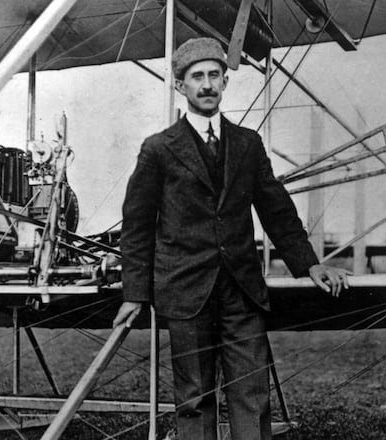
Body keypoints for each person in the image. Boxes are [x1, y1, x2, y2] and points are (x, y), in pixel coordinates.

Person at [113, 37, 349, 440]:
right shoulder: (158, 150)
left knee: (252, 395)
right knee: (194, 398)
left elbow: (276, 209)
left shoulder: (247, 144)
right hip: (185, 290)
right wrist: (134, 293)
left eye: (214, 75)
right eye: (196, 77)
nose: (206, 85)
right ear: (180, 85)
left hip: (242, 290)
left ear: (225, 81)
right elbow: (137, 227)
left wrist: (310, 264)